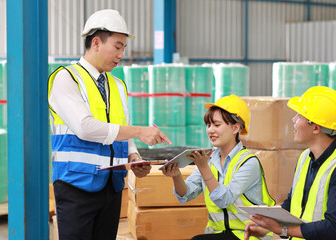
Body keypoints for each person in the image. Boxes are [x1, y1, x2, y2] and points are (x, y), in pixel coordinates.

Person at [48, 9, 171, 240]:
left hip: (112, 187)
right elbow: (85, 127)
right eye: (117, 46)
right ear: (96, 42)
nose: (121, 54)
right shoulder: (66, 78)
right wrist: (140, 131)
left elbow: (123, 129)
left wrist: (134, 158)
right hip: (76, 185)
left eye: (123, 48)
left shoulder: (117, 85)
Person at [244, 86, 336, 240]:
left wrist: (281, 229)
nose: (293, 120)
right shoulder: (305, 157)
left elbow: (333, 228)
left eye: (299, 116)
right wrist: (266, 226)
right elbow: (292, 204)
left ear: (316, 128)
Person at [162, 94, 275, 240]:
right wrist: (176, 175)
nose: (210, 130)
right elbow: (186, 194)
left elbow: (224, 199)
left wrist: (203, 167)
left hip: (248, 234)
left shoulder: (248, 162)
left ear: (235, 128)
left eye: (216, 125)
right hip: (220, 234)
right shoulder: (209, 160)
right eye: (208, 125)